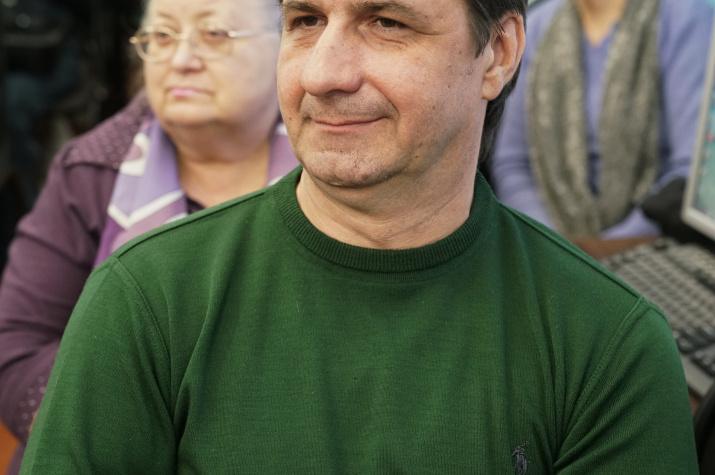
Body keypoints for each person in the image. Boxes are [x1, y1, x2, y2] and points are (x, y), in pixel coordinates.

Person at [20, 0, 697, 472]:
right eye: (305, 20)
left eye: (387, 21)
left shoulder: (608, 345)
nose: (322, 73)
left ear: (498, 53)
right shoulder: (146, 298)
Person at [0, 0, 297, 472]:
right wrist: (112, 425)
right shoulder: (92, 170)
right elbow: (17, 340)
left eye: (214, 34)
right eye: (161, 36)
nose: (181, 59)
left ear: (288, 43)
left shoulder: (335, 172)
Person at [490, 0, 714, 240]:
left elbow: (692, 174)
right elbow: (512, 163)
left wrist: (604, 249)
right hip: (552, 243)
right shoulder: (536, 26)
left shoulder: (685, 14)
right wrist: (552, 243)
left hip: (652, 242)